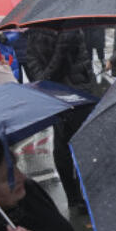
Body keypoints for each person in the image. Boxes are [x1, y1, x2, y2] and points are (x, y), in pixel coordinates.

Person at [24, 29, 97, 214]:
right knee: (74, 145)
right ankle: (78, 198)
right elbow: (57, 61)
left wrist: (43, 81)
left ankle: (77, 197)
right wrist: (46, 79)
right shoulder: (68, 27)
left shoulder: (35, 29)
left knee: (65, 144)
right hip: (76, 93)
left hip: (59, 93)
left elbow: (32, 60)